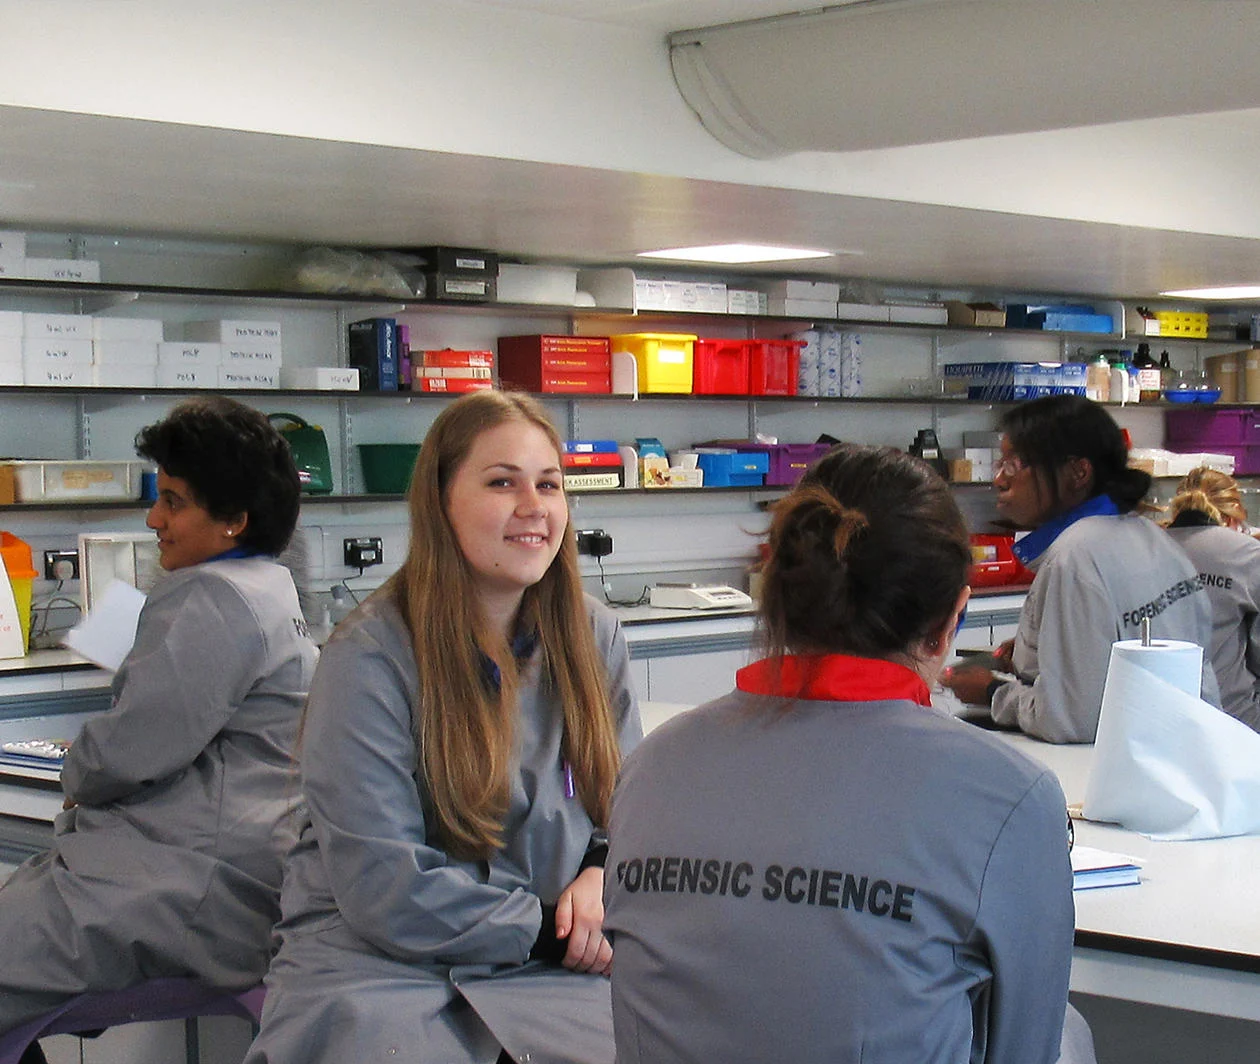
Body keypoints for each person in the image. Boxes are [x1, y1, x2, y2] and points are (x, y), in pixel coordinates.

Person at [603, 443, 1094, 1064]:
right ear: (951, 620)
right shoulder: (1007, 795)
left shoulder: (651, 767)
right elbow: (1028, 1045)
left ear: (775, 601)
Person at [244, 391, 641, 1064]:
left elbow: (631, 810)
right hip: (382, 965)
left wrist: (603, 873)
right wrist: (547, 930)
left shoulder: (592, 636)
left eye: (548, 484)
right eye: (501, 482)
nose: (533, 507)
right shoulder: (370, 656)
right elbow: (383, 887)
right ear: (440, 501)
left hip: (549, 967)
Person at [0, 396, 317, 1052]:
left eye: (173, 501)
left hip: (192, 884)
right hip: (221, 867)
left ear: (233, 519)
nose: (154, 519)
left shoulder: (216, 603)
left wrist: (76, 766)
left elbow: (126, 753)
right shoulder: (262, 584)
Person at [943, 394, 1219, 743]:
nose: (999, 479)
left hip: (1121, 762)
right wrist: (1039, 650)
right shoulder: (1148, 535)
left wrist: (992, 692)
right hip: (1190, 747)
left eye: (1014, 464)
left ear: (1078, 472)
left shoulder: (1074, 557)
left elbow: (1070, 719)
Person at [1164, 466, 1260, 731]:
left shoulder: (1149, 546)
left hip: (1160, 715)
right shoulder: (1248, 554)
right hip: (1234, 718)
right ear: (1232, 518)